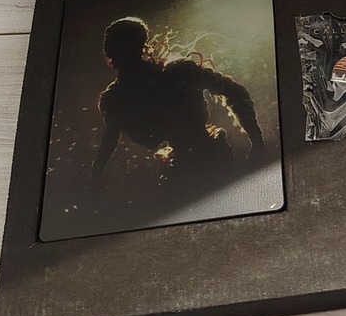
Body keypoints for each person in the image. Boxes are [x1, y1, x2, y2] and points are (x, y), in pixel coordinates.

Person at [89, 16, 265, 191]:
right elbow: (111, 136)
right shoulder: (117, 97)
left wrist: (257, 141)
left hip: (205, 163)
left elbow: (233, 91)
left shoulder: (176, 73)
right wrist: (256, 140)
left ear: (110, 54)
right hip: (188, 167)